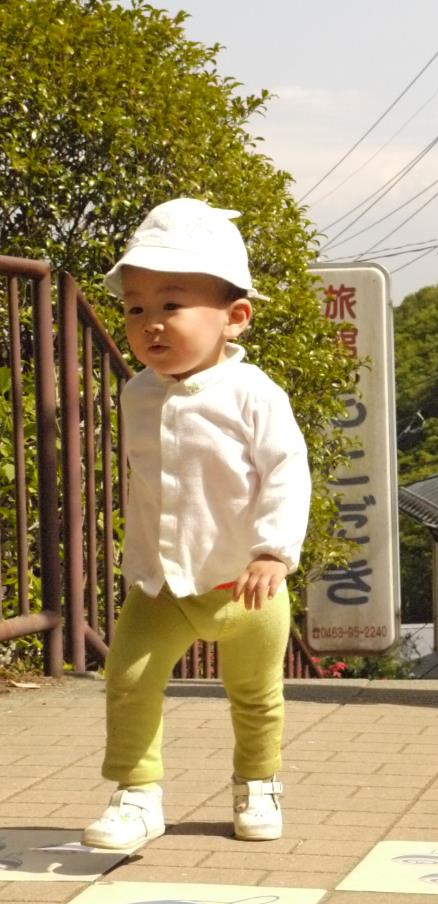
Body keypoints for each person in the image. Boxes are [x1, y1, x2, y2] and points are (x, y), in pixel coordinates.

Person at [82, 198, 312, 849]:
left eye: (171, 306)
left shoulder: (254, 394)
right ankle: (137, 794)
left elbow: (286, 472)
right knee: (128, 679)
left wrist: (272, 552)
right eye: (135, 308)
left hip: (245, 583)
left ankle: (258, 781)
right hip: (161, 584)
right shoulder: (137, 394)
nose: (150, 325)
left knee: (255, 692)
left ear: (235, 318)